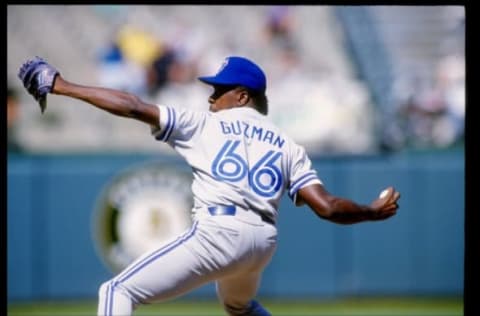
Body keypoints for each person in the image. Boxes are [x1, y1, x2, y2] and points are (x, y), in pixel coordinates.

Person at [18, 56, 400, 316]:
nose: (211, 97)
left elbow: (133, 106)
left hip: (220, 233)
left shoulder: (206, 124)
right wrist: (371, 210)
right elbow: (328, 207)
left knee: (116, 293)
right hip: (262, 242)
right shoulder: (287, 144)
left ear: (243, 96)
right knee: (240, 307)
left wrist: (61, 84)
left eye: (219, 90)